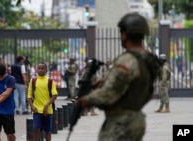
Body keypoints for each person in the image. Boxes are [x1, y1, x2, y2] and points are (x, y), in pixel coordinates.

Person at [78, 13, 161, 141]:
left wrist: (87, 99)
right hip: (136, 118)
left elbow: (109, 93)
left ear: (125, 34)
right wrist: (106, 81)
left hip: (120, 123)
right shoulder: (148, 59)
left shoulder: (127, 60)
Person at [27, 62, 58, 141]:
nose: (40, 70)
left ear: (46, 70)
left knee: (47, 131)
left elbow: (54, 95)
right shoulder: (33, 81)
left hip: (48, 111)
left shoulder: (50, 81)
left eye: (42, 68)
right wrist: (32, 106)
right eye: (39, 68)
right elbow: (29, 96)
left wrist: (46, 106)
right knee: (36, 129)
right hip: (37, 110)